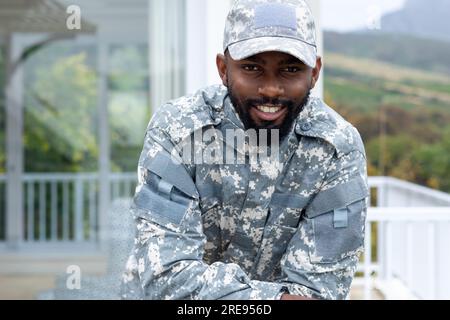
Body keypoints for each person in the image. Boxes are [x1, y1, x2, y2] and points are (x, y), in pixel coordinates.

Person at [121, 0, 369, 300]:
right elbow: (167, 279)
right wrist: (273, 299)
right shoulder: (178, 130)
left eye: (290, 69)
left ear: (314, 72)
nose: (271, 89)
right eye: (252, 68)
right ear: (223, 69)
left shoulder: (337, 147)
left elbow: (320, 291)